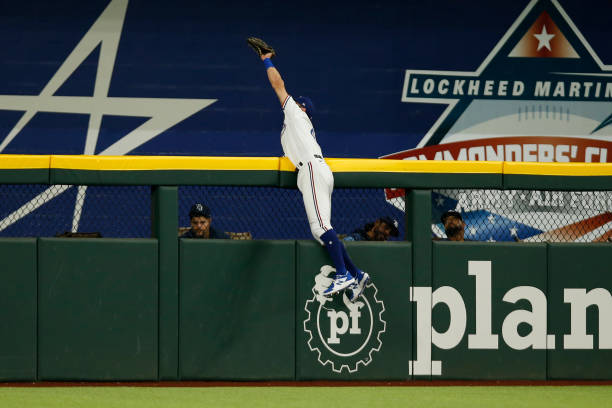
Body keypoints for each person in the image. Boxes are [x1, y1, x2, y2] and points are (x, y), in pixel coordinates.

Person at [253, 41, 368, 302]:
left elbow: (278, 85)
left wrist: (266, 60)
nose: (290, 102)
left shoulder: (295, 113)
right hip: (318, 170)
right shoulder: (300, 125)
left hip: (313, 171)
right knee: (322, 228)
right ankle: (356, 274)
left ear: (301, 107)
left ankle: (342, 274)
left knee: (320, 228)